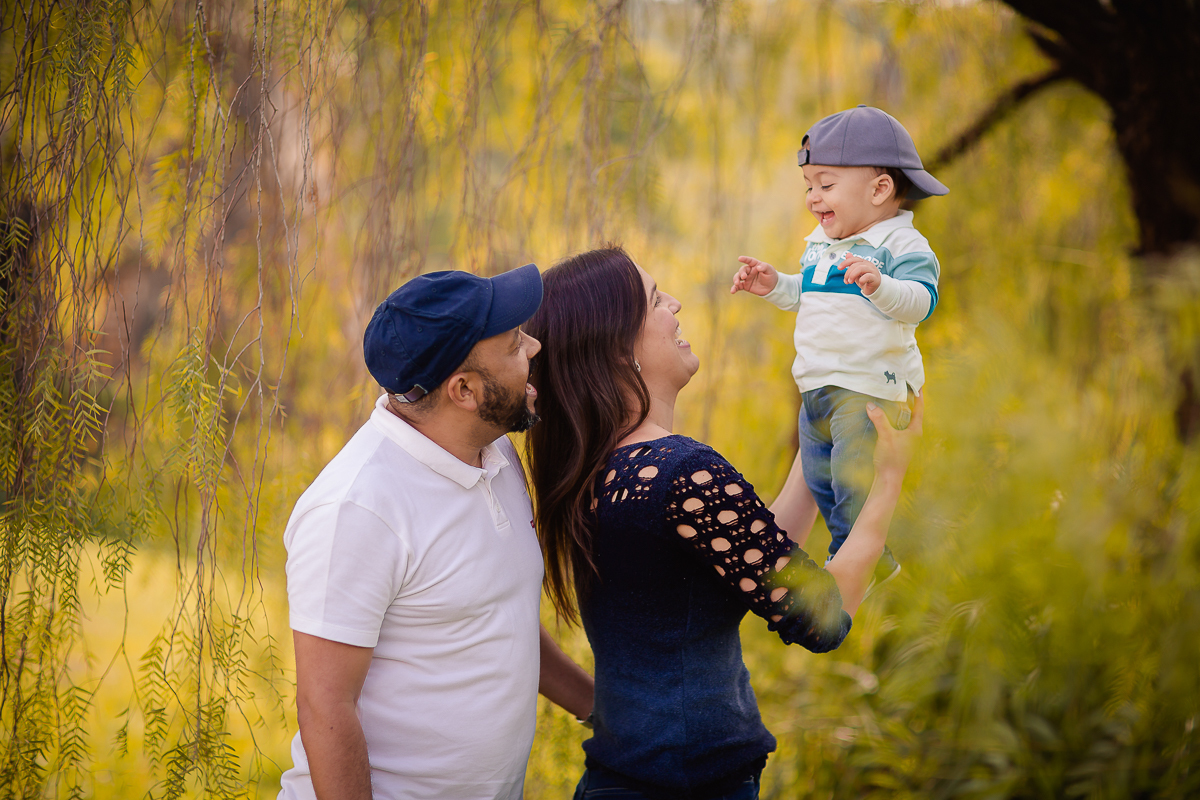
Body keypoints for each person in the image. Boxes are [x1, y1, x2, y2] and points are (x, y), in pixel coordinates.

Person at [524, 246, 922, 799]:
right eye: (656, 299)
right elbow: (823, 615)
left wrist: (821, 433)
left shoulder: (596, 471)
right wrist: (887, 481)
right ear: (617, 348)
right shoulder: (682, 473)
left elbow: (753, 554)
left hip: (627, 779)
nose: (676, 305)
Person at [278, 263, 593, 800]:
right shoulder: (357, 508)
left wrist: (606, 713)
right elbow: (326, 707)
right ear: (464, 390)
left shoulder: (494, 453)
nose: (535, 347)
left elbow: (497, 625)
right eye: (515, 343)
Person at [731, 104, 947, 591]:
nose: (812, 198)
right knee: (820, 474)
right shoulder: (822, 243)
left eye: (825, 186)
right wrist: (775, 285)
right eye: (808, 186)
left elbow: (921, 302)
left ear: (879, 189)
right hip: (818, 385)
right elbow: (811, 296)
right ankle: (864, 553)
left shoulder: (901, 243)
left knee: (852, 476)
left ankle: (855, 558)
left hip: (869, 386)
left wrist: (879, 287)